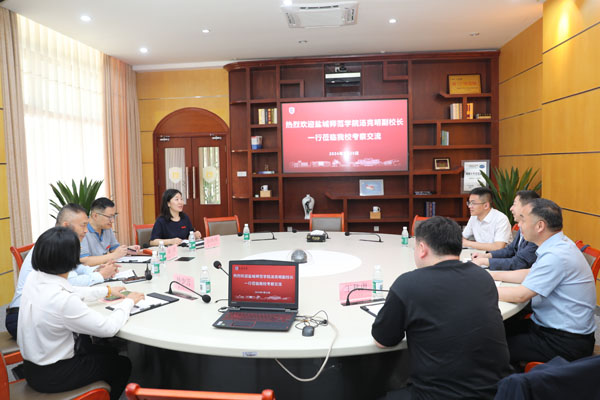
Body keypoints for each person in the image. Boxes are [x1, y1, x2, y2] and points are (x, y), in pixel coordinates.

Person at [372, 216, 510, 400]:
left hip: (436, 394)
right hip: (496, 391)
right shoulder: (483, 277)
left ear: (422, 249)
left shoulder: (408, 285)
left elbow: (383, 340)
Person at [18, 226, 144, 400]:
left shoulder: (35, 277)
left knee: (108, 352)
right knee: (122, 364)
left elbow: (71, 290)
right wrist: (128, 302)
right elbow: (108, 328)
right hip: (54, 374)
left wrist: (106, 290)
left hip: (32, 367)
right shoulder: (62, 300)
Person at [489, 198, 596, 365]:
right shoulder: (558, 244)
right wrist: (492, 275)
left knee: (490, 347)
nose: (519, 224)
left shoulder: (556, 255)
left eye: (523, 219)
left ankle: (510, 379)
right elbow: (530, 273)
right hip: (550, 329)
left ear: (539, 226)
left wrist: (479, 289)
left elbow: (520, 295)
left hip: (564, 341)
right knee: (490, 332)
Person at [4, 203, 119, 339]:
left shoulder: (58, 242)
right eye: (83, 225)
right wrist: (100, 275)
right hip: (23, 316)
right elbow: (71, 283)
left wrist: (96, 270)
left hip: (40, 309)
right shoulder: (53, 246)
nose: (86, 231)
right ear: (66, 226)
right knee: (93, 327)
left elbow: (76, 267)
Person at [472, 190, 539, 270]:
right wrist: (486, 256)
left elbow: (519, 262)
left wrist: (486, 261)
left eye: (514, 204)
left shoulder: (535, 232)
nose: (511, 208)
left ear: (527, 207)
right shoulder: (522, 226)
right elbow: (511, 250)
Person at [80, 197, 140, 266]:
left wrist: (127, 250)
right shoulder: (81, 230)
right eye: (109, 217)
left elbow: (113, 249)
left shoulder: (106, 227)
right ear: (95, 216)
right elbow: (85, 261)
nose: (112, 221)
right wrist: (114, 255)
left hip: (104, 267)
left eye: (114, 216)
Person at [462, 187, 512, 251]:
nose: (469, 206)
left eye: (473, 203)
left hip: (499, 256)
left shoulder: (501, 219)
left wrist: (467, 243)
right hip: (481, 254)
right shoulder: (474, 217)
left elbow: (498, 247)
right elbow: (463, 237)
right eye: (469, 203)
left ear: (486, 205)